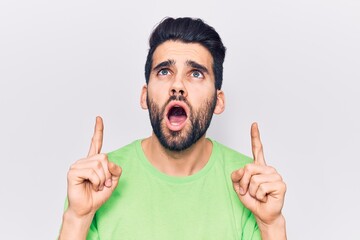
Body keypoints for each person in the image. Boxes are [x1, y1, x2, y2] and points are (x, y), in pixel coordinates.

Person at [59, 17, 287, 240]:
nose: (177, 85)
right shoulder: (98, 180)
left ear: (218, 101)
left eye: (196, 74)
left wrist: (272, 225)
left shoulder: (250, 184)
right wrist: (77, 218)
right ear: (144, 96)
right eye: (164, 71)